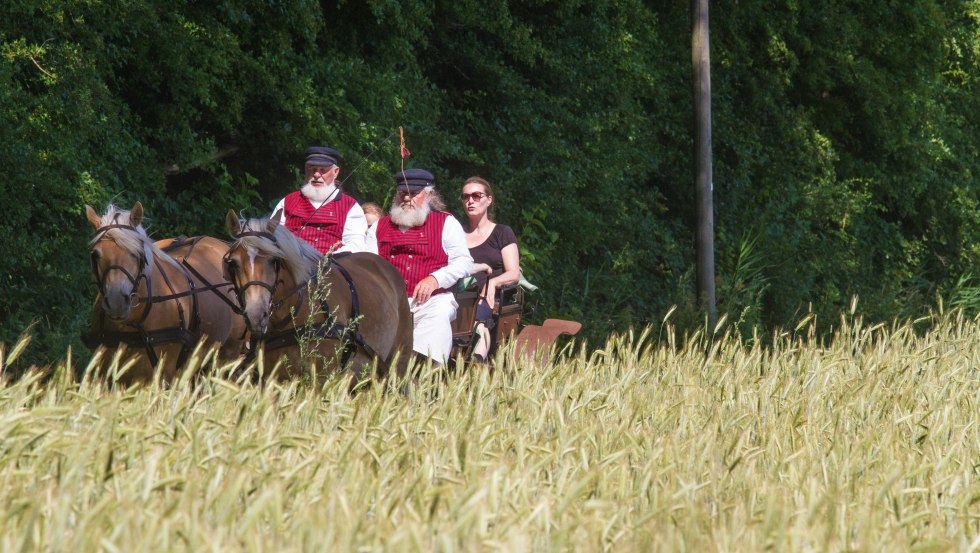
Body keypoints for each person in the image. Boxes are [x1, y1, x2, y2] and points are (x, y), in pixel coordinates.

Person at [366, 169, 473, 364]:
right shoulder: (378, 227)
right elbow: (367, 266)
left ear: (429, 195)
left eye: (414, 193)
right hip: (388, 302)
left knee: (440, 313)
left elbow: (464, 261)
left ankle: (425, 373)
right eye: (402, 192)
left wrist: (435, 279)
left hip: (431, 302)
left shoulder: (446, 223)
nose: (407, 198)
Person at [460, 176, 521, 363]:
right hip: (462, 292)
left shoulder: (502, 232)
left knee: (480, 309)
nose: (470, 201)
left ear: (489, 200)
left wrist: (493, 282)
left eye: (476, 196)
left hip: (491, 296)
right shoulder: (456, 233)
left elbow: (514, 272)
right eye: (465, 196)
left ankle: (476, 359)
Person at [271, 146, 367, 254]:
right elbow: (272, 234)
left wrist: (325, 261)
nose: (316, 175)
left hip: (331, 267)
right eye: (312, 169)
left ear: (335, 172)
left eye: (323, 170)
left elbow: (355, 245)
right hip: (289, 266)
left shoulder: (350, 207)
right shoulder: (287, 202)